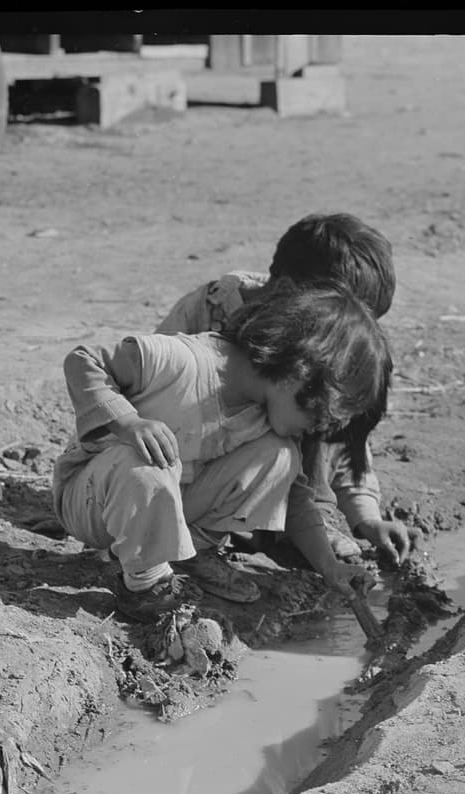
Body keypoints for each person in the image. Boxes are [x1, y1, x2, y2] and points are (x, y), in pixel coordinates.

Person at [52, 281, 392, 621]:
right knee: (147, 462)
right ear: (298, 374)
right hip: (92, 498)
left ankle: (191, 552)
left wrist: (330, 568)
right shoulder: (182, 362)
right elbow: (85, 361)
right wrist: (129, 423)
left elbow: (295, 500)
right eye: (320, 417)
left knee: (280, 458)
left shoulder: (265, 412)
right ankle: (145, 587)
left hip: (165, 499)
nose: (319, 430)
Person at [155, 212, 414, 566]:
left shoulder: (326, 359)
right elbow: (144, 391)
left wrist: (365, 516)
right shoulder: (205, 316)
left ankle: (299, 525)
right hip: (193, 477)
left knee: (322, 406)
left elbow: (348, 440)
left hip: (279, 480)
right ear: (295, 297)